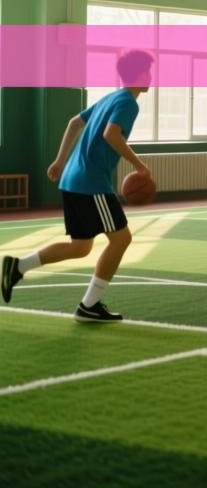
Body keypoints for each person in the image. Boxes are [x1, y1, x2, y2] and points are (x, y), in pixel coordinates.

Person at [1, 49, 154, 322]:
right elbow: (111, 134)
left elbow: (74, 122)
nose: (151, 77)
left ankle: (18, 267)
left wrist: (60, 161)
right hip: (91, 182)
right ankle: (89, 306)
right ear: (140, 74)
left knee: (81, 246)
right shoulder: (129, 103)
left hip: (72, 179)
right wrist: (139, 165)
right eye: (149, 71)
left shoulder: (111, 97)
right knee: (121, 239)